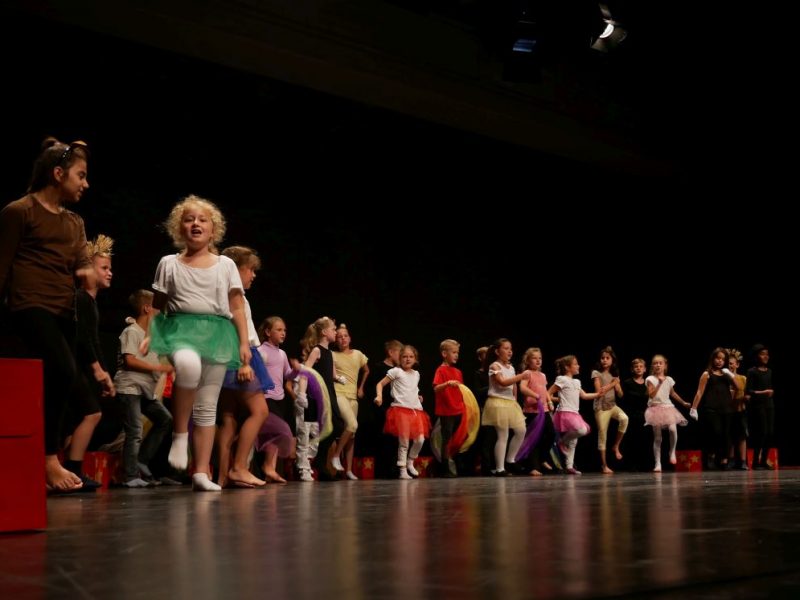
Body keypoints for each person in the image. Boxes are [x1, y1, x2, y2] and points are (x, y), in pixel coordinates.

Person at [0, 137, 92, 492]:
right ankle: (48, 459)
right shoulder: (19, 211)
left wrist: (86, 272)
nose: (86, 184)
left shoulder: (75, 222)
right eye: (80, 176)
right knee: (63, 369)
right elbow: (2, 267)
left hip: (62, 310)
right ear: (58, 174)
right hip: (28, 306)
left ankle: (44, 455)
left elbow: (82, 261)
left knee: (65, 383)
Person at [143, 195, 251, 492]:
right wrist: (149, 333)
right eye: (189, 219)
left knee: (207, 406)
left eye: (202, 220)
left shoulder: (225, 264)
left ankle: (201, 472)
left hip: (216, 332)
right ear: (179, 228)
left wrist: (243, 344)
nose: (195, 224)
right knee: (188, 367)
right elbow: (158, 303)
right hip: (180, 327)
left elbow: (237, 307)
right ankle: (179, 436)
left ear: (213, 229)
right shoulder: (169, 263)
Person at [216, 245, 272, 488]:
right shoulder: (234, 296)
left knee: (228, 418)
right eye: (250, 270)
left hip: (229, 357)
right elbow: (237, 332)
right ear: (235, 269)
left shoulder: (224, 293)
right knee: (260, 412)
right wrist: (244, 361)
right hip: (240, 356)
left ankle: (222, 475)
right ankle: (239, 466)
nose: (253, 275)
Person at [65, 234, 117, 489]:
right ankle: (73, 472)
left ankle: (66, 470)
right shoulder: (81, 298)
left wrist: (105, 373)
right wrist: (98, 370)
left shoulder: (90, 303)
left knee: (75, 419)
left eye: (110, 268)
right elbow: (83, 339)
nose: (109, 273)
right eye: (104, 268)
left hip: (84, 369)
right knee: (91, 413)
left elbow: (94, 342)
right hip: (74, 367)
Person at [113, 290, 174, 486]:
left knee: (165, 419)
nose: (160, 312)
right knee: (135, 431)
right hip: (130, 388)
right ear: (147, 308)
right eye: (157, 307)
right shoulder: (132, 331)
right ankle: (130, 476)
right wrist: (158, 367)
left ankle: (141, 461)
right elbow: (130, 361)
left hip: (145, 390)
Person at [549, 355, 612, 475]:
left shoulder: (577, 382)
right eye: (576, 364)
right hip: (565, 412)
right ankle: (562, 442)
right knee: (582, 430)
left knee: (574, 441)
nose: (578, 366)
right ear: (567, 367)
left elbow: (584, 395)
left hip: (574, 412)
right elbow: (549, 393)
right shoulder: (562, 379)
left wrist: (598, 394)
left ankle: (569, 466)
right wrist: (553, 401)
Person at [375, 345, 431, 479]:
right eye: (405, 356)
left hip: (415, 411)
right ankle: (402, 469)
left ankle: (411, 460)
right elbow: (380, 384)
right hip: (400, 410)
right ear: (400, 358)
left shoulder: (416, 374)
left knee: (420, 440)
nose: (408, 359)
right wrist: (379, 396)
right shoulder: (396, 371)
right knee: (404, 442)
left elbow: (412, 388)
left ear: (415, 359)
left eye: (411, 356)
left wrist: (417, 396)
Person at [257, 316, 298, 482]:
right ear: (268, 332)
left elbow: (287, 374)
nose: (283, 333)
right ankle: (267, 467)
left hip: (280, 400)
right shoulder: (261, 351)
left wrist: (296, 370)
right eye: (279, 330)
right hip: (265, 398)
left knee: (272, 435)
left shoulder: (282, 353)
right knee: (277, 432)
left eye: (284, 330)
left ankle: (270, 469)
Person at [481, 338, 529, 476]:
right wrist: (521, 376)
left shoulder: (511, 367)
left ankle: (510, 460)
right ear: (497, 351)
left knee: (521, 430)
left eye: (510, 348)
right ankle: (500, 468)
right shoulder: (494, 366)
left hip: (509, 403)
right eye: (506, 348)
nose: (509, 351)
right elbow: (502, 382)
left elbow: (513, 386)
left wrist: (515, 399)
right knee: (503, 435)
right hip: (497, 402)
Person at [690, 347, 741, 470]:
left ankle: (724, 459)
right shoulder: (707, 374)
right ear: (713, 358)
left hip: (727, 408)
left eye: (723, 359)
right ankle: (711, 457)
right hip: (711, 408)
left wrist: (730, 374)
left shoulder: (726, 374)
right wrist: (694, 408)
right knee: (715, 433)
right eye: (717, 358)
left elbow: (738, 387)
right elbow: (699, 392)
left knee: (726, 435)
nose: (719, 361)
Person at [332, 323, 369, 480]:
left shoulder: (358, 354)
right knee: (352, 425)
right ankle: (335, 456)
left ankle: (348, 469)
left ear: (350, 338)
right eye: (339, 337)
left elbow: (366, 370)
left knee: (351, 434)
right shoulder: (332, 355)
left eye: (345, 336)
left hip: (353, 397)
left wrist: (361, 388)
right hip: (339, 393)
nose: (343, 339)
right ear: (336, 340)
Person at [644, 355, 690, 472]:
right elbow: (651, 395)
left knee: (673, 430)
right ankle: (658, 463)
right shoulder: (650, 379)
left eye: (660, 363)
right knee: (658, 438)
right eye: (655, 363)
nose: (658, 365)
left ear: (665, 366)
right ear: (652, 366)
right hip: (655, 409)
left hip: (668, 407)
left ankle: (672, 451)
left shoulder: (669, 379)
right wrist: (659, 384)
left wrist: (683, 402)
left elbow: (673, 394)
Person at [518, 347, 555, 475]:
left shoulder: (543, 375)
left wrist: (549, 401)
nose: (538, 360)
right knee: (534, 438)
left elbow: (545, 390)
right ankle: (533, 467)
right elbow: (522, 388)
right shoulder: (527, 373)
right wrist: (534, 395)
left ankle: (543, 458)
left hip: (544, 410)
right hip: (531, 411)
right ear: (528, 361)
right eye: (534, 358)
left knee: (551, 434)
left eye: (540, 358)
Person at [591, 346, 627, 474]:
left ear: (612, 360)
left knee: (624, 419)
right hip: (601, 408)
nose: (604, 360)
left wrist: (617, 387)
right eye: (602, 358)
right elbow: (599, 392)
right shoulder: (596, 373)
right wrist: (613, 383)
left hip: (612, 406)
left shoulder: (614, 374)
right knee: (602, 435)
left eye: (607, 358)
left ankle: (616, 445)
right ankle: (604, 465)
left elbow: (621, 395)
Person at [432, 339, 465, 477]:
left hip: (458, 409)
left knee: (457, 438)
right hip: (447, 411)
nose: (456, 355)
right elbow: (435, 388)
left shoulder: (458, 371)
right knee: (447, 438)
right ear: (444, 353)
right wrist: (447, 384)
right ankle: (445, 467)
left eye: (457, 352)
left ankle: (455, 464)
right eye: (453, 352)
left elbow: (462, 390)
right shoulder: (441, 370)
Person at [746, 344, 774, 469]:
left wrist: (770, 392)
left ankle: (763, 461)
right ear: (757, 356)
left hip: (769, 405)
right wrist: (763, 392)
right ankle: (756, 461)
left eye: (767, 354)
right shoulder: (752, 371)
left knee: (770, 433)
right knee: (761, 432)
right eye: (763, 354)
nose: (766, 356)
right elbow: (749, 391)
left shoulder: (769, 371)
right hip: (757, 406)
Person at [621, 358, 651, 471]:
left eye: (641, 366)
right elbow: (624, 398)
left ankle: (644, 464)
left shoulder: (648, 383)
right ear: (632, 369)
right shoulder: (628, 383)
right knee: (632, 440)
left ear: (645, 369)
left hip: (645, 415)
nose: (638, 368)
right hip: (631, 415)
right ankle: (631, 464)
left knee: (644, 440)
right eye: (636, 366)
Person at [726, 348, 749, 470]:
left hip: (740, 410)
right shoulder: (724, 378)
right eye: (727, 363)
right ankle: (730, 460)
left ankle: (743, 461)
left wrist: (746, 397)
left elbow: (746, 393)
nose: (729, 365)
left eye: (731, 363)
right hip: (729, 411)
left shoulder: (743, 378)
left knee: (742, 436)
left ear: (737, 364)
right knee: (729, 436)